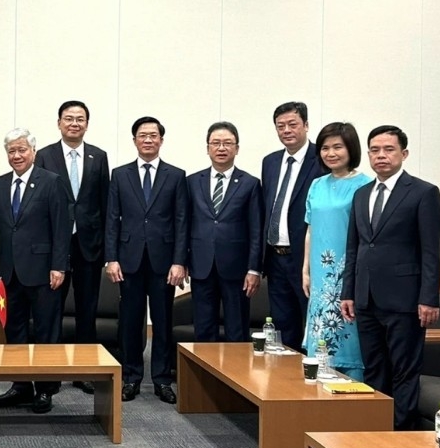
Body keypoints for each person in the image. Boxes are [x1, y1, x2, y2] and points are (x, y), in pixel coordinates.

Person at [342, 125, 440, 430]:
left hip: (406, 300)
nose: (381, 156)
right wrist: (348, 292)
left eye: (388, 149)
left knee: (404, 370)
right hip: (365, 297)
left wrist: (428, 298)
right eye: (375, 150)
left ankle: (400, 434)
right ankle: (375, 429)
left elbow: (430, 252)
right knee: (374, 368)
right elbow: (354, 248)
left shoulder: (424, 193)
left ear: (404, 154)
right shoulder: (361, 194)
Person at [0, 128, 71, 414]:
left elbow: (61, 227)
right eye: (11, 151)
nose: (16, 156)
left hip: (44, 271)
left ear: (33, 152)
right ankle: (20, 385)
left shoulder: (51, 182)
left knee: (45, 331)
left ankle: (45, 389)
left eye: (22, 150)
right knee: (13, 329)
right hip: (10, 271)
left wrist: (58, 265)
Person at [105, 116, 187, 405]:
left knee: (163, 322)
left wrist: (180, 261)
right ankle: (130, 377)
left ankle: (162, 380)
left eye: (153, 135)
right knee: (130, 322)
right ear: (135, 140)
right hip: (128, 260)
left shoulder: (176, 175)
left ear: (161, 140)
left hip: (164, 262)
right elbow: (112, 219)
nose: (148, 140)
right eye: (143, 135)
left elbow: (181, 221)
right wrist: (111, 258)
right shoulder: (120, 174)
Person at [34, 101, 109, 395]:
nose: (74, 123)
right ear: (59, 123)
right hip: (55, 246)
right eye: (69, 118)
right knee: (50, 310)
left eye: (80, 119)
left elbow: (105, 204)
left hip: (89, 245)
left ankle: (84, 372)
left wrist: (106, 246)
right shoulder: (44, 156)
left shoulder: (98, 156)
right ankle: (50, 375)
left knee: (86, 310)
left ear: (87, 124)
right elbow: (38, 203)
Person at [302, 122, 372, 381]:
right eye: (325, 148)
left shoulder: (365, 185)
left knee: (348, 330)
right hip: (319, 273)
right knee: (320, 334)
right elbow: (310, 229)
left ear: (351, 148)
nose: (330, 153)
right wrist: (305, 269)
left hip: (349, 270)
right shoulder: (317, 185)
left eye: (337, 147)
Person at [186, 122, 263, 342]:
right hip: (201, 266)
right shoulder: (192, 182)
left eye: (227, 143)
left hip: (237, 269)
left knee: (237, 329)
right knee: (203, 328)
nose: (221, 148)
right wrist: (182, 261)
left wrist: (254, 269)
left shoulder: (250, 183)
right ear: (207, 147)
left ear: (237, 148)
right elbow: (184, 225)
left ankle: (234, 376)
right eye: (216, 143)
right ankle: (205, 376)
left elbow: (256, 229)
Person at [261, 101, 324, 351]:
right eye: (280, 126)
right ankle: (285, 384)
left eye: (292, 124)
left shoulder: (321, 158)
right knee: (282, 324)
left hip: (306, 259)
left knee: (311, 323)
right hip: (275, 257)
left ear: (306, 126)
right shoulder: (270, 162)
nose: (286, 130)